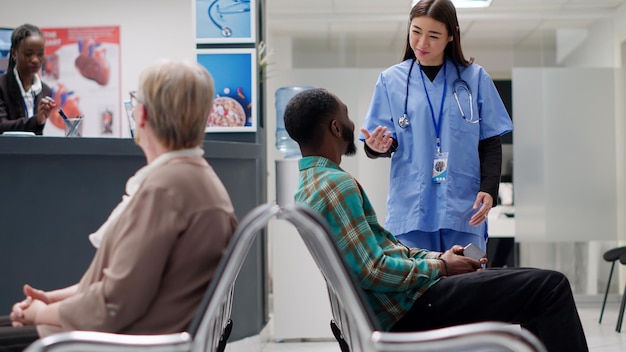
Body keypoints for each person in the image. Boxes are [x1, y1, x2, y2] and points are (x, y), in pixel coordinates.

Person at [284, 88, 588, 352]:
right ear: (336, 128)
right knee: (550, 287)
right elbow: (373, 271)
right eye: (347, 116)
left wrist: (440, 258)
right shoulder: (335, 185)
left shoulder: (310, 186)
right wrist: (441, 267)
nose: (353, 123)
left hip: (404, 304)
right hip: (408, 310)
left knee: (533, 284)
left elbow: (383, 253)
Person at [2, 60, 238, 351]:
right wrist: (53, 301)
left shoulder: (165, 190)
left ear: (143, 115)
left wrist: (40, 313)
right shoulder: (192, 180)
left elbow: (113, 305)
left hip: (120, 340)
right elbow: (131, 283)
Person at [360, 0, 512, 252]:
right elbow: (385, 142)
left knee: (469, 285)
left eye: (433, 35)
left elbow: (490, 141)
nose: (421, 43)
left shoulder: (475, 78)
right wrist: (377, 147)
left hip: (463, 207)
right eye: (416, 32)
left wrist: (489, 188)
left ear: (451, 36)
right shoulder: (391, 80)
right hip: (412, 208)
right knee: (417, 287)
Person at [0, 24, 56, 135]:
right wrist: (36, 121)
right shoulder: (1, 85)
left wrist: (39, 121)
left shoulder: (45, 90)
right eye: (28, 54)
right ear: (14, 53)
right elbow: (1, 126)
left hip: (33, 151)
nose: (35, 60)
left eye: (40, 54)